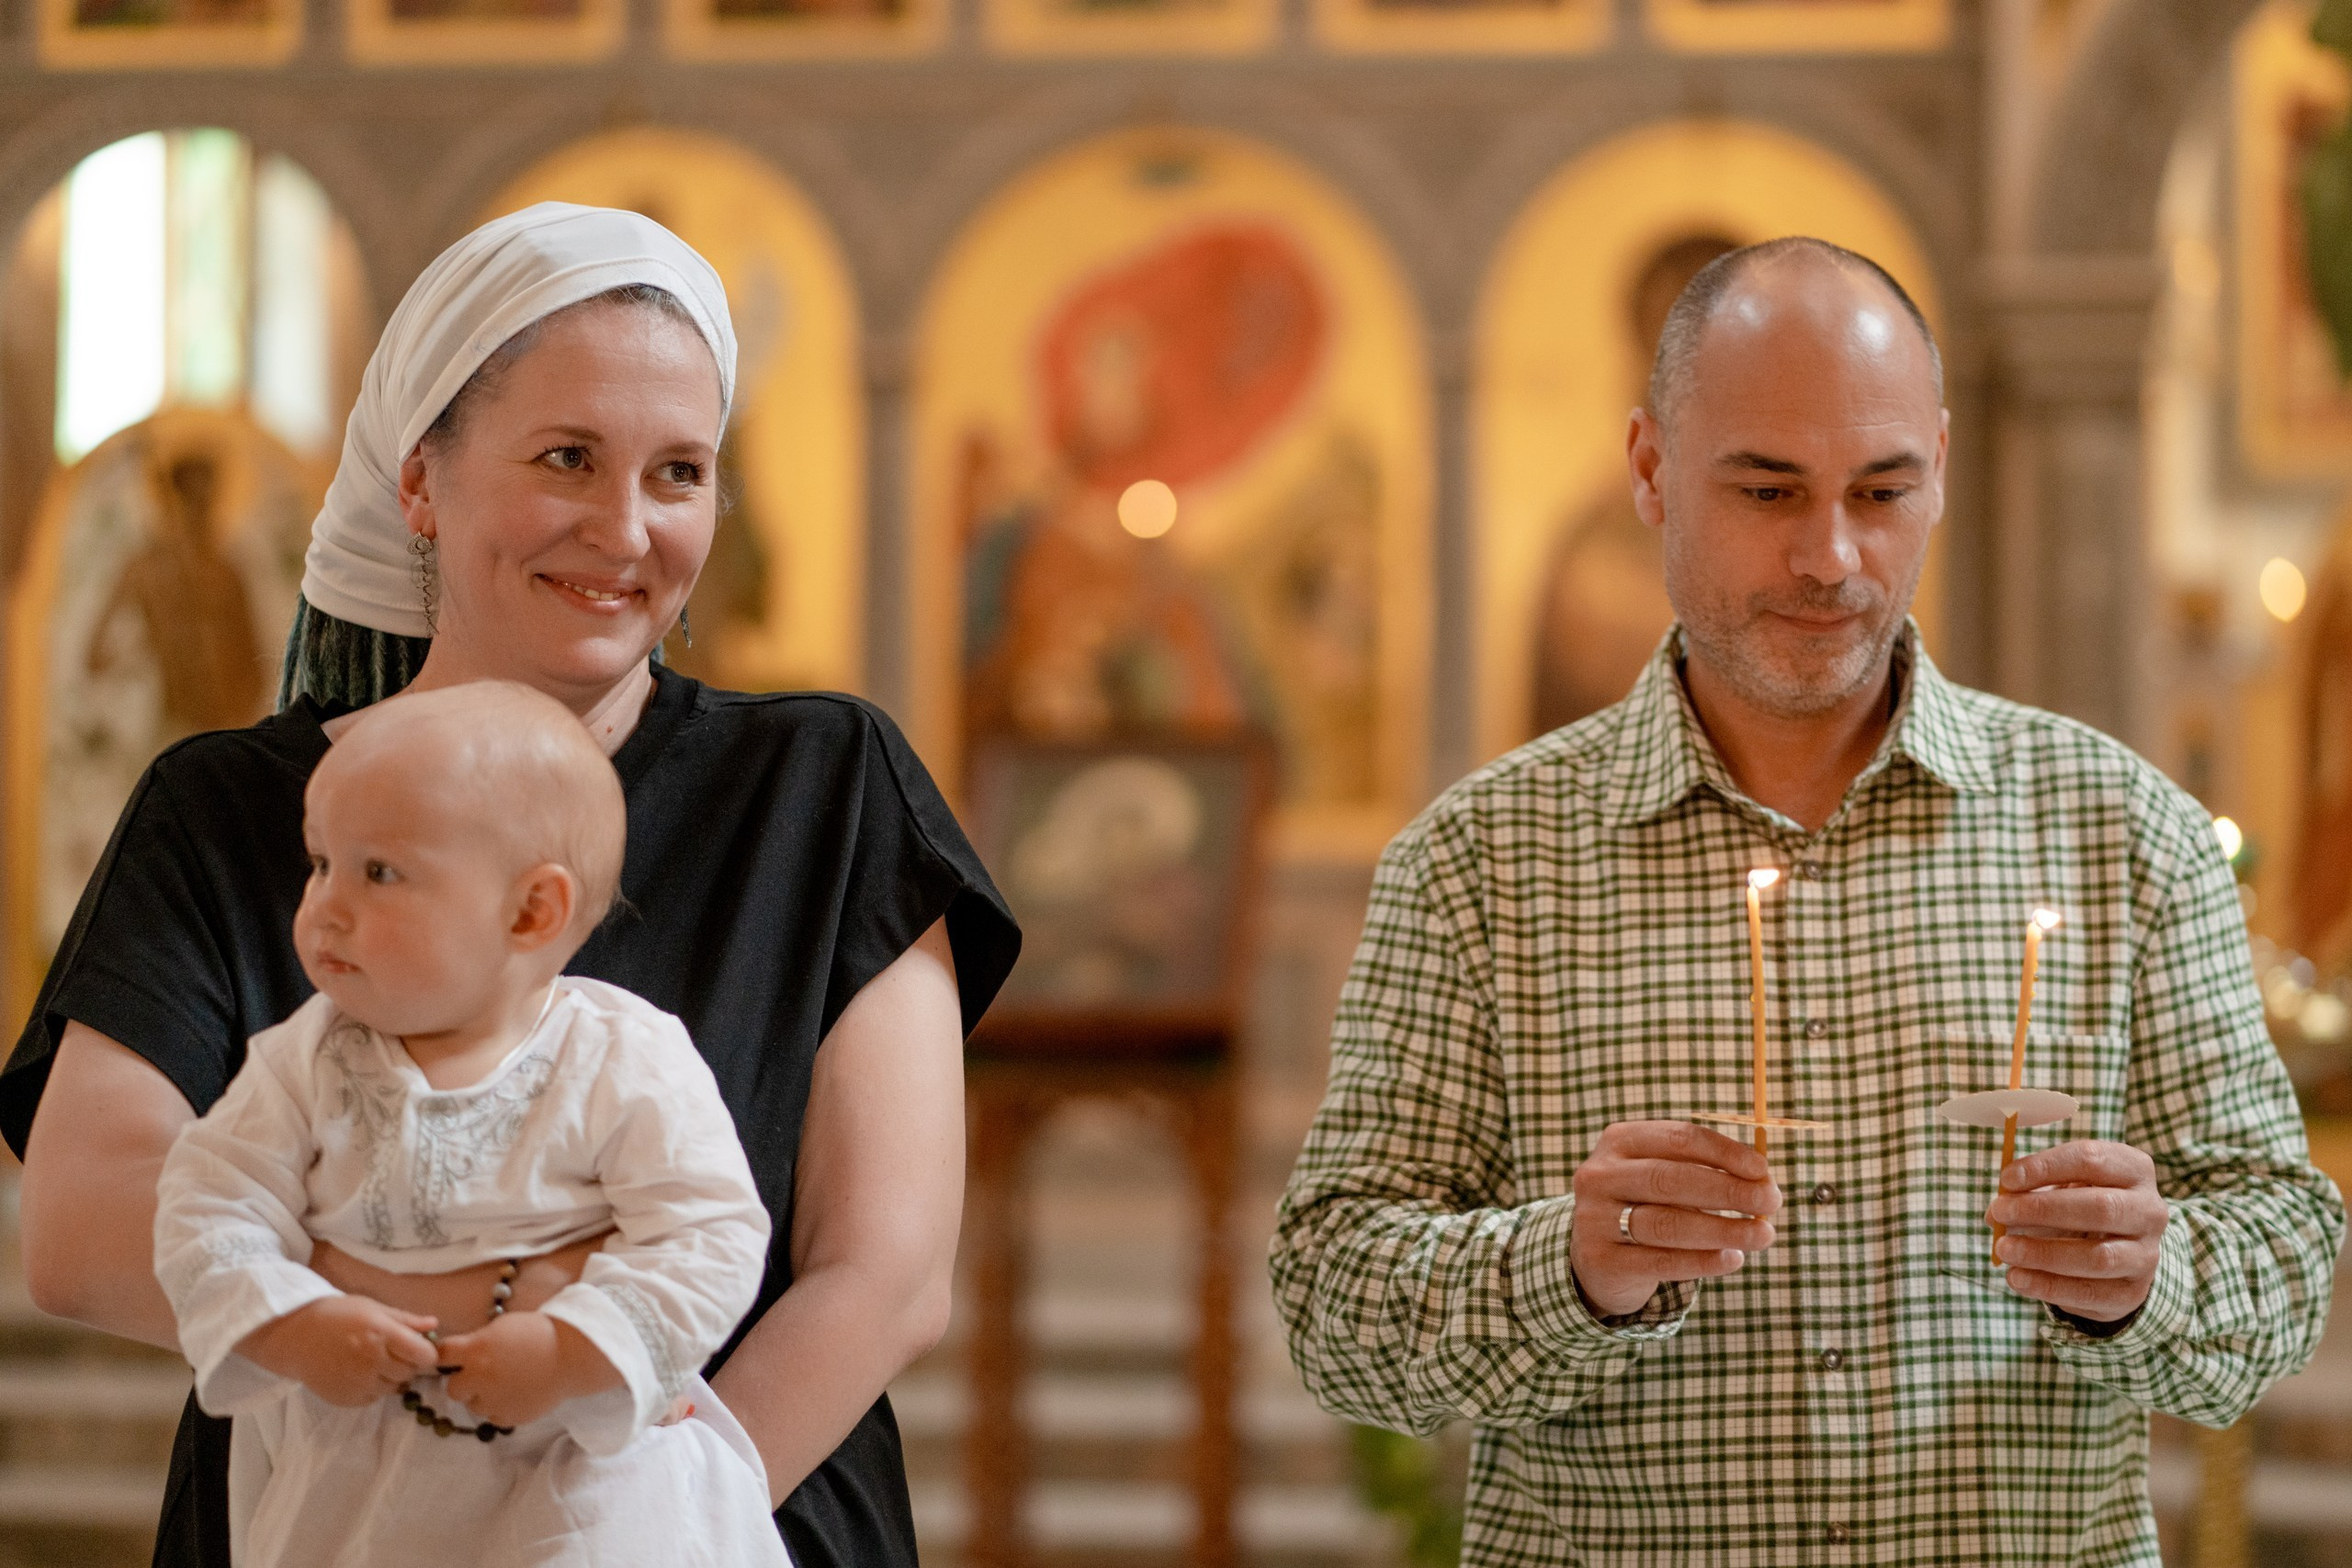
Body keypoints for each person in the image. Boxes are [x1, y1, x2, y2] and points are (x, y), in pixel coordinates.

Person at [1270, 236, 2346, 1564]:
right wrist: (1565, 1268)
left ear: (1940, 466)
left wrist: (2153, 1274)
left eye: (1881, 490)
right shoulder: (1481, 864)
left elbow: (2286, 1254)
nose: (1831, 554)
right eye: (1769, 489)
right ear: (1653, 467)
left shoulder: (2121, 834)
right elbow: (1330, 1303)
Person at [5, 202, 1022, 1568]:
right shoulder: (232, 809)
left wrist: (632, 1528)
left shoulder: (824, 788)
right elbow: (77, 1224)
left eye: (678, 473)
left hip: (732, 1514)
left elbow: (882, 1274)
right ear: (421, 479)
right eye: (567, 457)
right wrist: (474, 1291)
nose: (624, 527)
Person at [154, 681, 786, 1567]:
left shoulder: (619, 1056)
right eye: (320, 862)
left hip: (583, 1476)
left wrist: (575, 1346)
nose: (326, 905)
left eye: (379, 872)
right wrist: (291, 1322)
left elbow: (712, 1233)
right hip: (360, 1478)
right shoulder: (308, 1060)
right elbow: (208, 1204)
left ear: (532, 911)